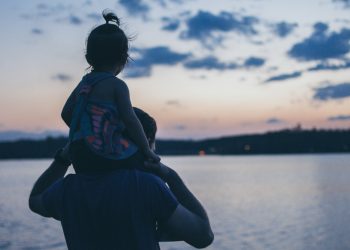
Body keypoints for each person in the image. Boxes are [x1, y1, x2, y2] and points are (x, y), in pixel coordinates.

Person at [29, 108, 214, 250]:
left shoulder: (68, 189)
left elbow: (35, 200)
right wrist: (171, 177)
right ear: (146, 142)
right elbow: (203, 236)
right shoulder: (145, 186)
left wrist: (63, 158)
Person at [61, 10, 159, 173]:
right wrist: (146, 149)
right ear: (124, 59)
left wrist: (86, 131)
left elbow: (66, 113)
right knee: (143, 164)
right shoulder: (117, 85)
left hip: (78, 152)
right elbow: (131, 120)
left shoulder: (84, 84)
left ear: (88, 58)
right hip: (104, 152)